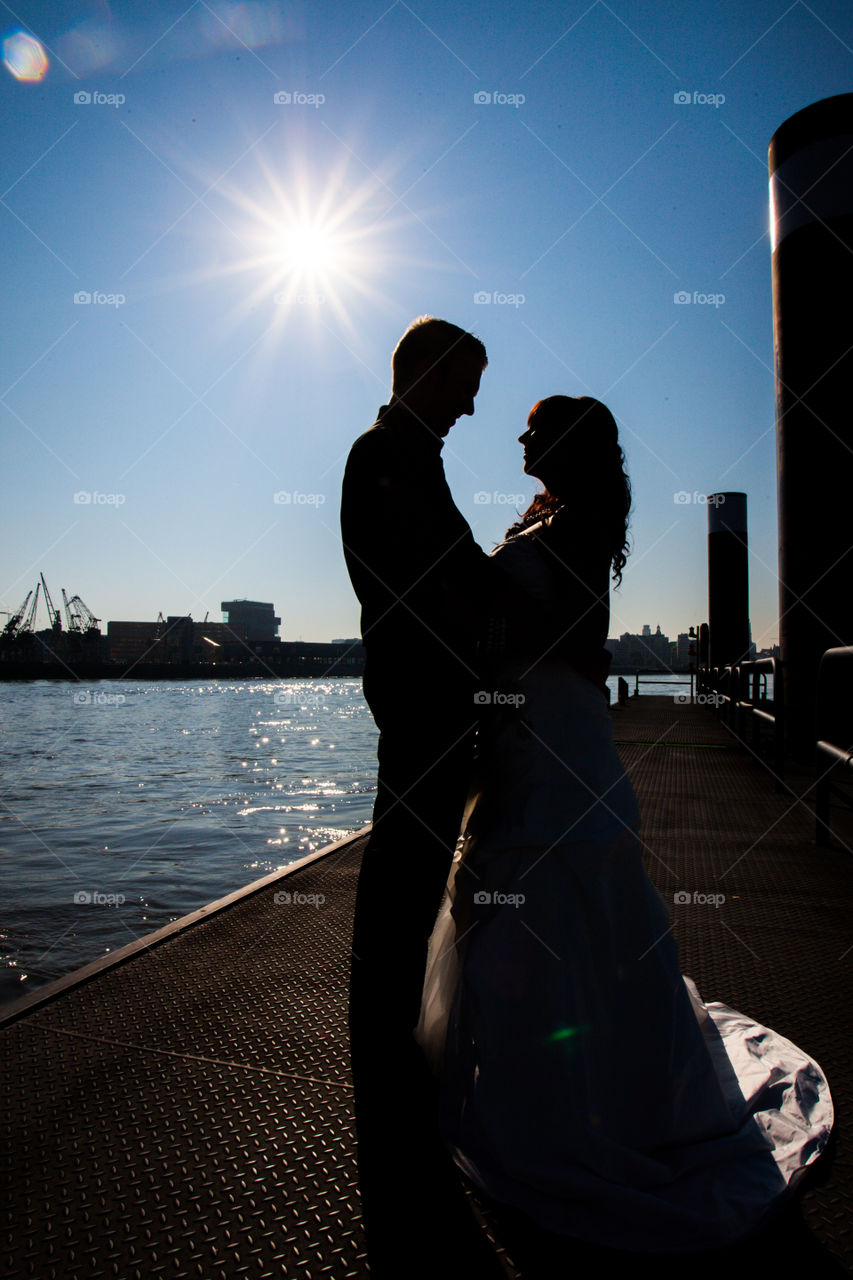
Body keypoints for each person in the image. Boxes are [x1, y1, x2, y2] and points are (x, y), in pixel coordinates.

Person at [416, 395, 834, 1255]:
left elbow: (571, 637)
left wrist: (476, 588)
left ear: (568, 446)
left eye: (536, 428)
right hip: (529, 726)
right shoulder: (553, 521)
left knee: (548, 891)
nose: (520, 436)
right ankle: (555, 1081)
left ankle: (568, 1104)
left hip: (552, 735)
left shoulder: (573, 528)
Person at [340, 317, 507, 1279]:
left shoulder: (411, 454)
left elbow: (452, 565)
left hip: (436, 694)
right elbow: (425, 575)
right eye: (465, 384)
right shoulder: (383, 455)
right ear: (427, 373)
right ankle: (380, 1043)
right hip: (418, 694)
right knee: (402, 865)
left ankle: (388, 1036)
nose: (473, 406)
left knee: (409, 862)